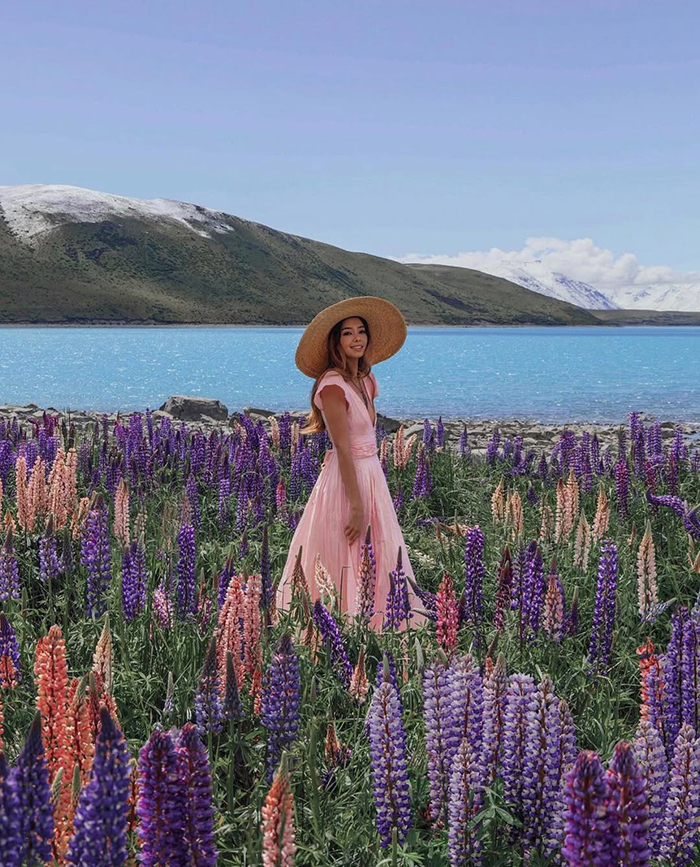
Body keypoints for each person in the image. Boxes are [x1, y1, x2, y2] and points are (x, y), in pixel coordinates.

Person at [276, 295, 423, 630]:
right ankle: (338, 625)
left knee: (381, 549)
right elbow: (342, 448)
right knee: (344, 550)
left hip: (372, 474)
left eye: (361, 331)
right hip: (346, 479)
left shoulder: (366, 381)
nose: (356, 338)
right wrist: (356, 504)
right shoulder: (331, 386)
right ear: (335, 342)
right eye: (347, 333)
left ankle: (381, 623)